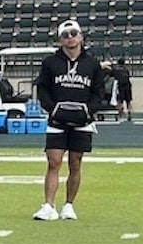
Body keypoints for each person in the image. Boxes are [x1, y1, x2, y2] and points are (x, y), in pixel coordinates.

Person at [33, 19, 104, 222]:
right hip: (57, 120)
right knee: (53, 161)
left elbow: (98, 92)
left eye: (74, 34)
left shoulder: (92, 64)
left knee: (75, 163)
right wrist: (53, 109)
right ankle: (48, 205)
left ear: (81, 37)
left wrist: (89, 112)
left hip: (83, 122)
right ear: (60, 40)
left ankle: (69, 205)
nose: (70, 38)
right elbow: (43, 89)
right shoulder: (50, 63)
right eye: (66, 35)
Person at [110, 58, 133, 122]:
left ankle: (119, 114)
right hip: (128, 85)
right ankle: (129, 113)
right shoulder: (126, 70)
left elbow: (111, 75)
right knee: (128, 101)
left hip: (121, 85)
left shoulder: (116, 70)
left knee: (120, 100)